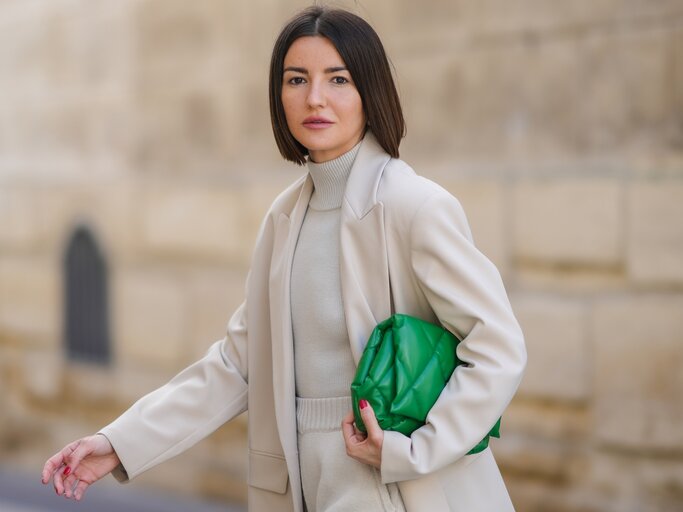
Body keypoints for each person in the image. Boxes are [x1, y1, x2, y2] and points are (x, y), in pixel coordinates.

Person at [41, 5, 526, 512]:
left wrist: (414, 450)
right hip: (300, 486)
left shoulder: (414, 207)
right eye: (297, 79)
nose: (314, 98)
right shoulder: (284, 219)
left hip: (395, 489)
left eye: (338, 79)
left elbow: (497, 346)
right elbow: (237, 364)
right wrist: (120, 443)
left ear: (370, 91)